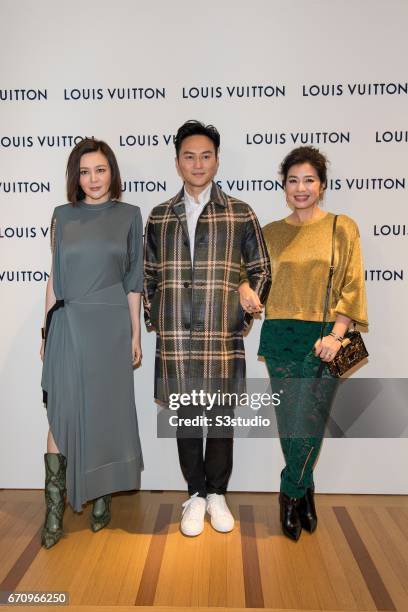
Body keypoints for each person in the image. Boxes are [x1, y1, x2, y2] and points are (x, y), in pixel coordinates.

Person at [144, 120, 271, 537]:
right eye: (189, 156)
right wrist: (157, 317)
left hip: (220, 333)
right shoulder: (161, 216)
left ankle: (217, 493)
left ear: (217, 159)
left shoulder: (239, 212)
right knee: (186, 415)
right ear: (177, 162)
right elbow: (146, 275)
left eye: (206, 155)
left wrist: (244, 308)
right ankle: (194, 494)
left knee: (219, 417)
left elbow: (261, 270)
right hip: (177, 337)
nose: (198, 163)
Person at [244, 146, 368, 541]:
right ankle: (305, 490)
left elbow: (352, 283)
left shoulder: (341, 227)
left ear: (322, 185)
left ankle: (290, 492)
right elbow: (248, 276)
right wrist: (244, 288)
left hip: (326, 337)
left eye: (309, 180)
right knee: (291, 424)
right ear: (284, 186)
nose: (301, 188)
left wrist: (338, 334)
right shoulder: (269, 233)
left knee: (311, 421)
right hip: (281, 334)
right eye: (293, 181)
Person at [40, 138, 144, 548]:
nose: (93, 179)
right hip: (69, 323)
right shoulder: (61, 216)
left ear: (112, 173)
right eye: (84, 171)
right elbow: (54, 278)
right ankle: (53, 511)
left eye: (100, 170)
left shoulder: (131, 216)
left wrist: (135, 334)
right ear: (75, 177)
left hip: (111, 326)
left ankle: (102, 496)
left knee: (105, 412)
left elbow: (133, 282)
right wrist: (45, 333)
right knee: (61, 414)